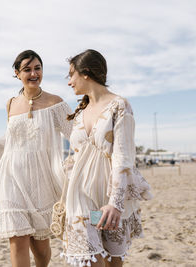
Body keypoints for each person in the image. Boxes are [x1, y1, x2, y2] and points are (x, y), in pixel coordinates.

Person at [0, 50, 73, 267]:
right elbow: (10, 140)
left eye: (37, 68)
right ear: (17, 73)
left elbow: (77, 136)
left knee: (41, 248)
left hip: (41, 178)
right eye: (27, 70)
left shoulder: (56, 102)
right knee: (17, 239)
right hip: (12, 176)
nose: (33, 73)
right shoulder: (11, 104)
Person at [62, 49, 152, 267]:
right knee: (88, 257)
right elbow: (73, 158)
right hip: (81, 197)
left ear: (85, 73)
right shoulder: (80, 113)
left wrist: (115, 203)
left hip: (108, 197)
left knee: (113, 260)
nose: (69, 82)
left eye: (71, 75)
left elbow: (123, 158)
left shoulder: (119, 105)